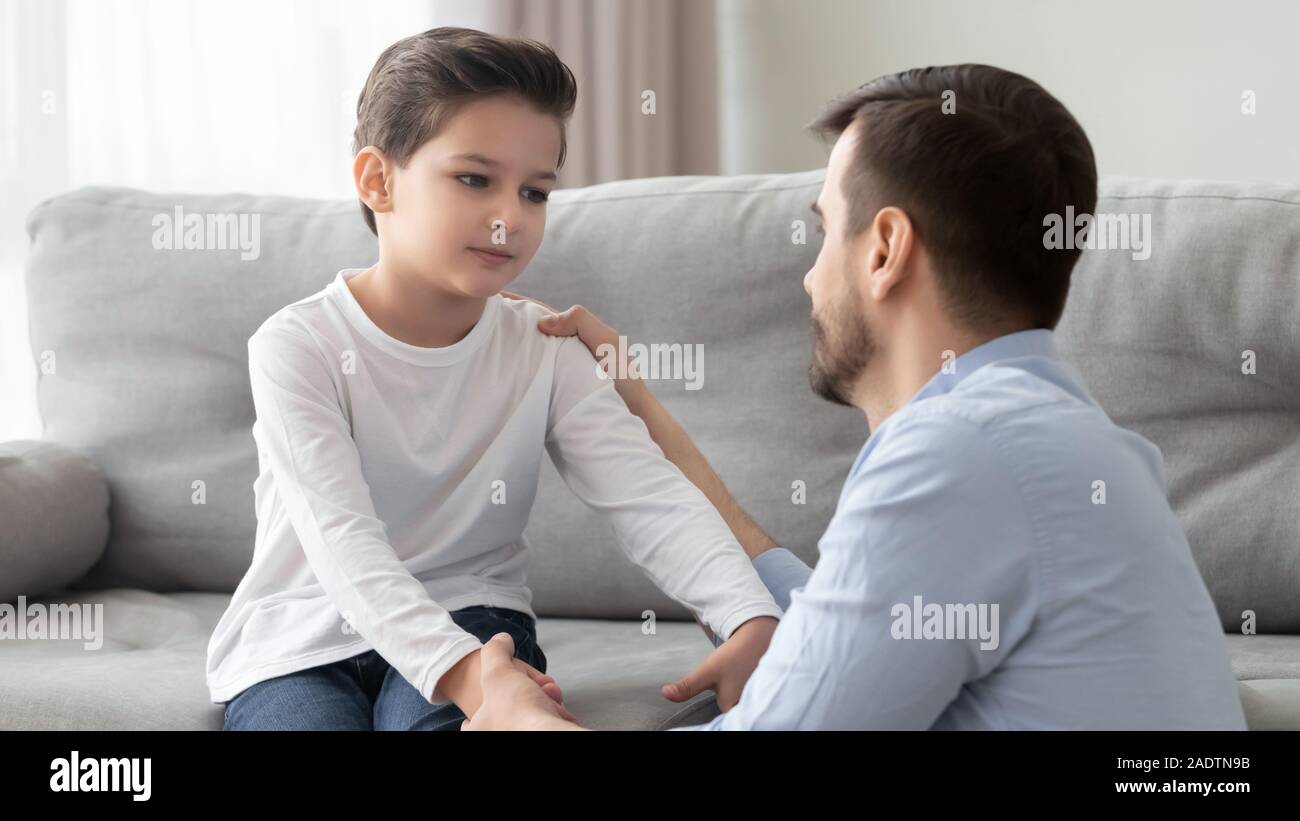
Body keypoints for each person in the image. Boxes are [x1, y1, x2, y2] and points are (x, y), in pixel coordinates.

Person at [465, 64, 1248, 731]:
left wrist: (514, 713)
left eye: (823, 232)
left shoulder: (961, 454)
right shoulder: (1070, 443)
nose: (809, 277)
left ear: (884, 250)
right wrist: (635, 404)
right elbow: (844, 629)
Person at [207, 27, 783, 730]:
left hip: (477, 617)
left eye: (535, 192)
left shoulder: (546, 348)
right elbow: (344, 544)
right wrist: (482, 686)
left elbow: (648, 496)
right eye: (474, 179)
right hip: (300, 639)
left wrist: (747, 614)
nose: (510, 217)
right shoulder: (296, 347)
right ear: (377, 180)